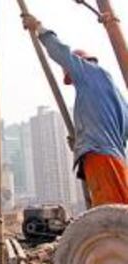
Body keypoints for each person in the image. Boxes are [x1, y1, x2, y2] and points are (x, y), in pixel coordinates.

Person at [22, 14, 128, 207]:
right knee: (121, 217)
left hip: (100, 156)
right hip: (117, 161)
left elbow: (61, 53)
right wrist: (81, 140)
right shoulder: (116, 97)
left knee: (109, 219)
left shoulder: (88, 72)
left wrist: (39, 28)